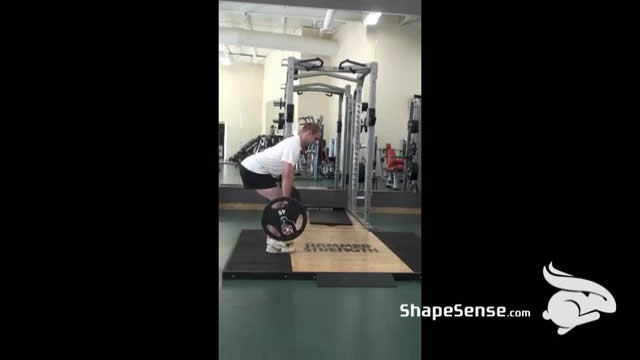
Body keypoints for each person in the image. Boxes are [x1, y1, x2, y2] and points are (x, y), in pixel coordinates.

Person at [239, 123, 322, 253]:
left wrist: (285, 197)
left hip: (257, 170)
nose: (315, 142)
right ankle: (274, 243)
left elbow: (285, 174)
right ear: (308, 133)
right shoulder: (293, 145)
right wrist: (286, 199)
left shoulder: (294, 143)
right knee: (279, 201)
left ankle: (272, 238)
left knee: (277, 202)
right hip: (253, 170)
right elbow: (287, 175)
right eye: (315, 138)